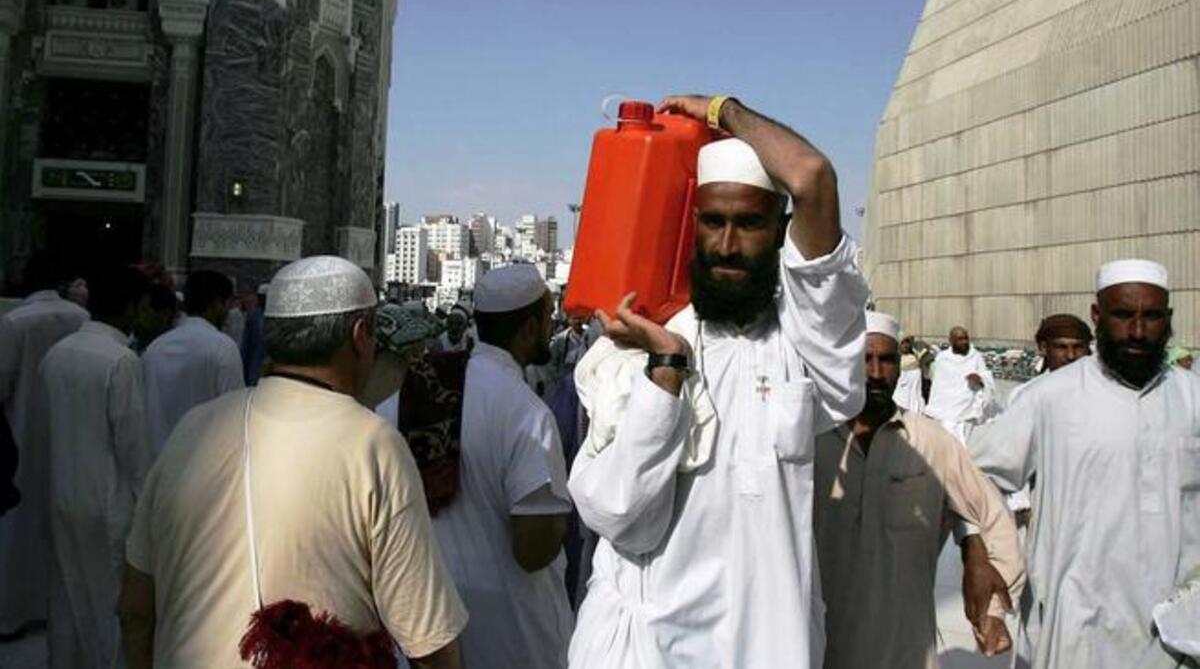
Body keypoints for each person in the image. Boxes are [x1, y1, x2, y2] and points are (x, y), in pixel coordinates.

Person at [568, 95, 868, 668]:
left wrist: (722, 111)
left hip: (767, 644)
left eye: (750, 223)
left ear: (781, 232)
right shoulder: (634, 346)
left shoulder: (804, 346)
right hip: (645, 651)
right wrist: (666, 372)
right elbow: (619, 517)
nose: (728, 245)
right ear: (693, 225)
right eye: (714, 221)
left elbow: (810, 177)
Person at [118, 256, 467, 669]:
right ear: (361, 335)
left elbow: (136, 608)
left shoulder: (192, 429)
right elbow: (428, 643)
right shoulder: (372, 445)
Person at [969, 259, 1200, 668]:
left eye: (1151, 317)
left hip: (1176, 633)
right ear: (1097, 315)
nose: (1138, 331)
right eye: (1123, 315)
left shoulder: (1191, 397)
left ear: (1168, 319)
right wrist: (980, 552)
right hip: (1075, 626)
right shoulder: (1050, 398)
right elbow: (974, 474)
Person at [814, 311, 1024, 669]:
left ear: (900, 366)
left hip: (906, 645)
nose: (875, 373)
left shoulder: (930, 440)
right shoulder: (813, 440)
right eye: (864, 359)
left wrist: (990, 603)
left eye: (886, 360)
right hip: (821, 644)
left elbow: (992, 515)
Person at [414, 264, 574, 669]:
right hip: (513, 634)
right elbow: (534, 549)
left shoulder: (419, 395)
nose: (553, 324)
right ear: (529, 329)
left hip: (433, 632)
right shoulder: (527, 413)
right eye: (548, 316)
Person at [40, 265, 156, 669]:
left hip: (61, 495)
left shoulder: (58, 353)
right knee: (110, 608)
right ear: (130, 307)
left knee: (67, 599)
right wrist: (150, 515)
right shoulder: (120, 361)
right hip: (107, 505)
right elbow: (135, 451)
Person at [0, 253, 89, 635]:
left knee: (18, 530)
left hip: (21, 430)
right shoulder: (80, 319)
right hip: (71, 430)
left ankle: (15, 612)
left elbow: (2, 386)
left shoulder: (14, 322)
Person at [999, 313, 1094, 529]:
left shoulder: (1105, 395)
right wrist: (1020, 506)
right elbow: (1012, 458)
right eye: (1062, 347)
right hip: (1045, 509)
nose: (1071, 356)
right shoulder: (1026, 396)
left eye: (1078, 347)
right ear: (1043, 348)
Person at [142, 270, 244, 453]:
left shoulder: (155, 348)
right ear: (216, 303)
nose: (229, 311)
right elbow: (233, 416)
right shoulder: (222, 347)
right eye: (227, 304)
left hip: (157, 466)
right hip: (201, 468)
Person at [925, 326, 997, 443]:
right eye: (960, 339)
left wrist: (979, 379)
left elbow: (987, 379)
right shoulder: (942, 359)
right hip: (946, 413)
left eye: (966, 338)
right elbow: (937, 387)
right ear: (951, 341)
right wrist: (932, 409)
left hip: (969, 414)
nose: (964, 342)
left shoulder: (975, 357)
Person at [133, 282, 180, 353]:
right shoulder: (134, 342)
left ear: (164, 314)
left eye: (144, 310)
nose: (138, 316)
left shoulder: (172, 350)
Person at [241, 284, 269, 385]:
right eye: (260, 297)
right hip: (255, 363)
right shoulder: (253, 315)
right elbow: (246, 344)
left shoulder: (274, 316)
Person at [894, 334, 925, 412]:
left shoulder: (915, 356)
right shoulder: (896, 358)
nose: (905, 345)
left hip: (914, 394)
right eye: (903, 343)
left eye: (907, 343)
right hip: (901, 393)